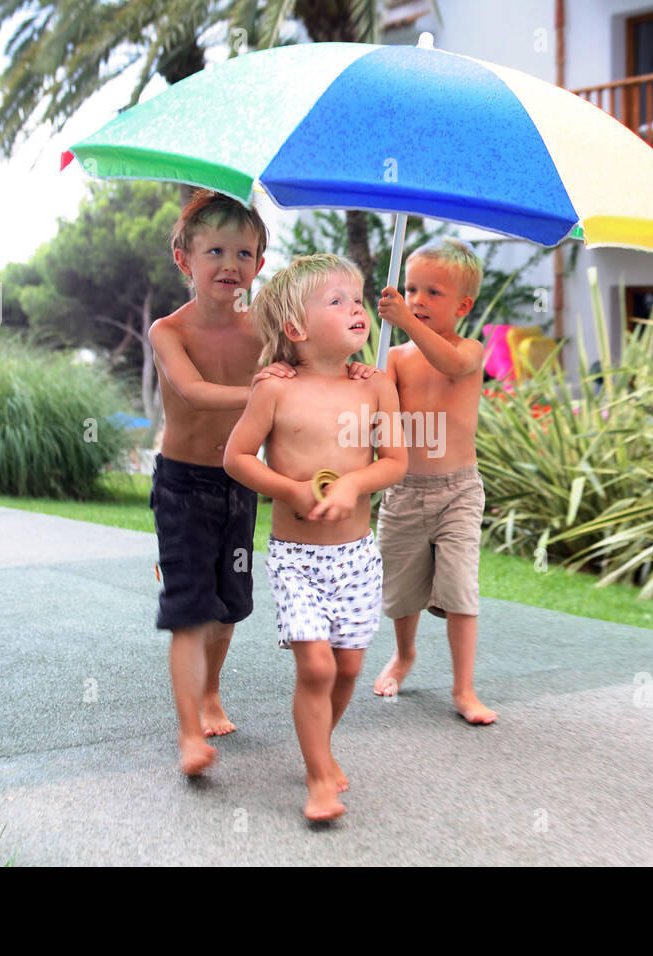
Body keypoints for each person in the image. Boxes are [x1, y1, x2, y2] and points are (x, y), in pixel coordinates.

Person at [149, 191, 372, 777]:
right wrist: (269, 393)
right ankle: (189, 732)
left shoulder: (260, 333)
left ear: (260, 263)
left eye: (244, 253)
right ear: (183, 260)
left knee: (229, 605)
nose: (231, 264)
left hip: (242, 485)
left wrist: (350, 370)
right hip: (184, 485)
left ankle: (212, 688)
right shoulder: (167, 329)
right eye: (215, 251)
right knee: (190, 606)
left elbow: (312, 361)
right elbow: (194, 392)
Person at [224, 253, 407, 820]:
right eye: (338, 301)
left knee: (349, 668)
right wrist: (290, 490)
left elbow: (395, 460)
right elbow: (235, 458)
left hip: (357, 557)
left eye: (358, 300)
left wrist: (354, 485)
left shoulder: (374, 386)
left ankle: (320, 747)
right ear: (297, 329)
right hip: (296, 558)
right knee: (318, 668)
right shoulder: (275, 389)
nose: (357, 308)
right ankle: (318, 776)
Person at [371, 237, 497, 724]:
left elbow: (448, 363)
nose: (418, 301)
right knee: (402, 588)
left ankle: (464, 688)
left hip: (458, 491)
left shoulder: (469, 349)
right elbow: (385, 413)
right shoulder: (397, 358)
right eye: (411, 289)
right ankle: (404, 656)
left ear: (464, 305)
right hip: (404, 489)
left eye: (432, 293)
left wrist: (404, 320)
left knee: (461, 587)